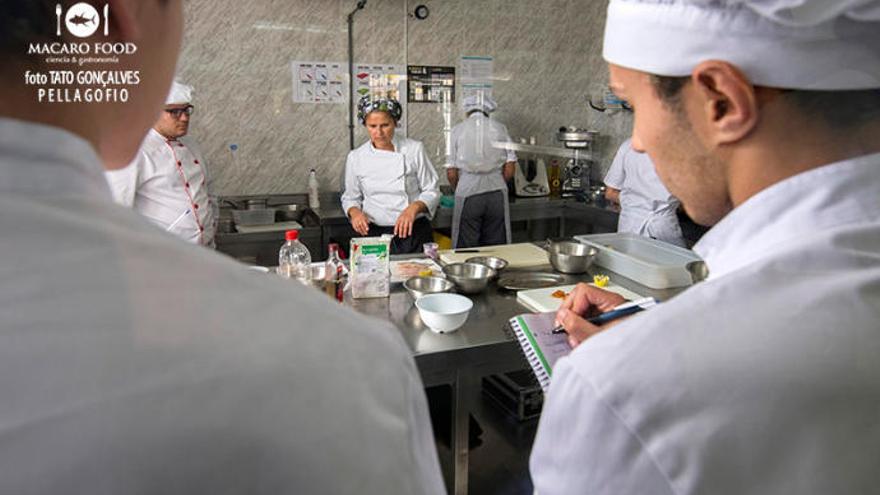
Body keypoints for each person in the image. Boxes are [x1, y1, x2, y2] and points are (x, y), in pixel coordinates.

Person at [0, 1, 444, 493]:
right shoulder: (355, 366)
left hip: (401, 233)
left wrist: (414, 209)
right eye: (175, 110)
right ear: (125, 22)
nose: (182, 118)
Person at [530, 1, 880, 494]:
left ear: (722, 101)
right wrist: (660, 324)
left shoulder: (620, 390)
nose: (640, 144)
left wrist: (649, 350)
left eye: (632, 106)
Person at [105, 81, 218, 247]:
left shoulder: (191, 145)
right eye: (174, 112)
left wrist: (212, 228)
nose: (185, 117)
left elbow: (208, 192)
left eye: (187, 110)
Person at [341, 96, 440, 254]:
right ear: (365, 125)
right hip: (373, 234)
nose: (378, 132)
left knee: (415, 276)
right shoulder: (356, 157)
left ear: (395, 123)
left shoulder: (414, 149)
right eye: (372, 126)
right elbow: (350, 197)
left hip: (412, 232)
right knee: (375, 278)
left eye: (385, 125)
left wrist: (413, 208)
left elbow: (432, 190)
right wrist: (355, 213)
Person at [446, 94, 517, 248]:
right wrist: (496, 179)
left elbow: (451, 173)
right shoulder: (500, 128)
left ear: (467, 111)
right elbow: (510, 169)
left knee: (466, 245)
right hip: (497, 191)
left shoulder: (457, 130)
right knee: (497, 245)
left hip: (468, 192)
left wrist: (457, 188)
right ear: (487, 111)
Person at [604, 138, 685, 247]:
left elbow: (610, 193)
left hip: (629, 227)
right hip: (664, 229)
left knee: (628, 262)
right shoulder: (682, 150)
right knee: (670, 263)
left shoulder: (629, 145)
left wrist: (632, 202)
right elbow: (691, 203)